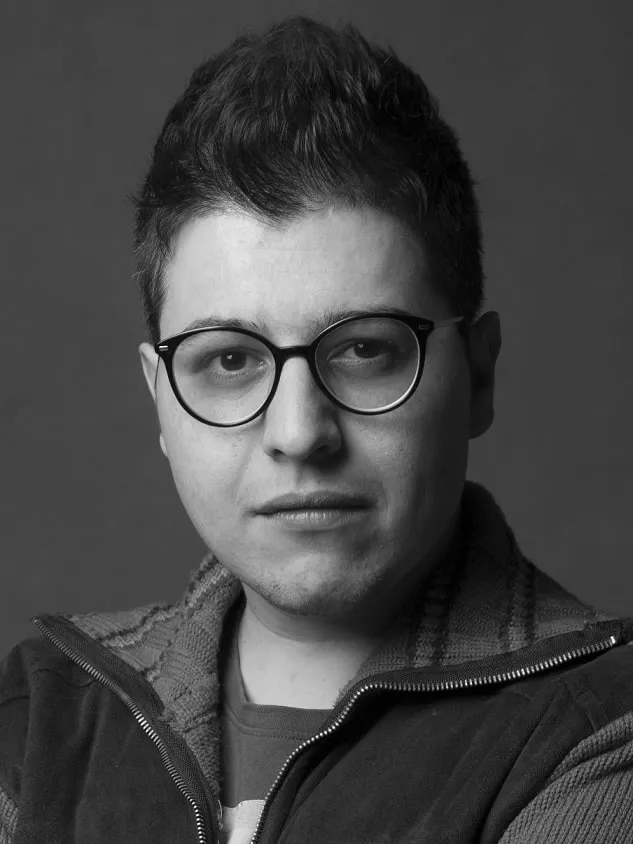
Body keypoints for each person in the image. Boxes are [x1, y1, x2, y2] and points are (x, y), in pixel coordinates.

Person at [1, 14, 632, 844]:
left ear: (476, 376)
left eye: (364, 349)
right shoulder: (43, 712)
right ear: (160, 398)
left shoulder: (601, 726)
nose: (298, 433)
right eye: (229, 360)